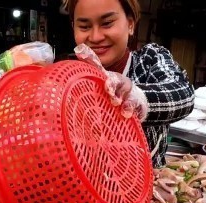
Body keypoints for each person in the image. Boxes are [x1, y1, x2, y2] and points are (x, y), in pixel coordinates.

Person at [66, 0, 194, 167]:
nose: (95, 37)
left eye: (107, 23)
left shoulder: (149, 60)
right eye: (84, 26)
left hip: (151, 186)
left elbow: (182, 95)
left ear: (131, 24)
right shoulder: (70, 76)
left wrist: (136, 96)